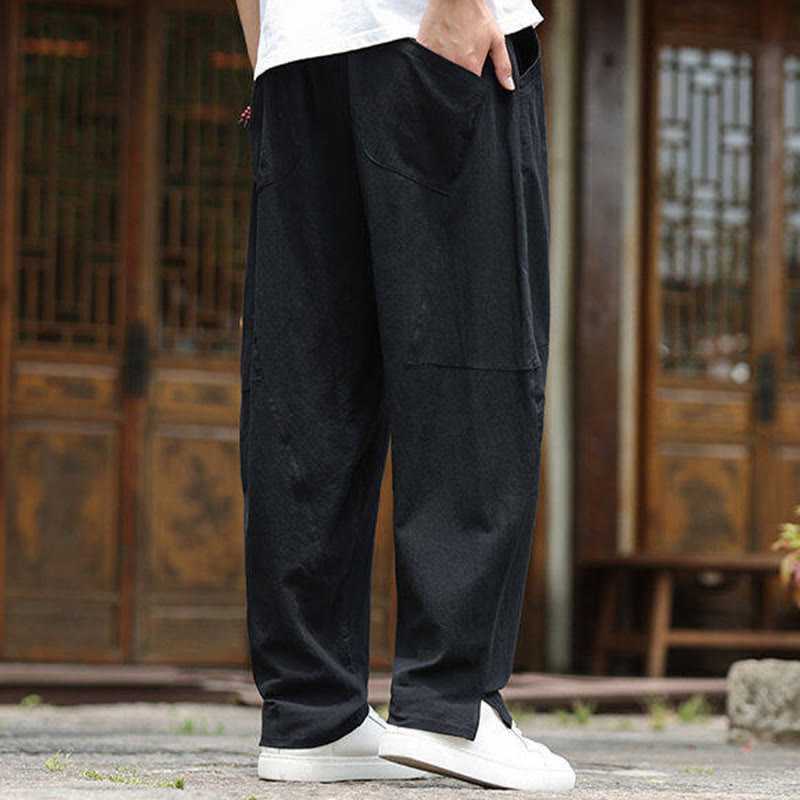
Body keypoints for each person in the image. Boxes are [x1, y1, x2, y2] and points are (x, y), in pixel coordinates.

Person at [234, 0, 575, 791]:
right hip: (425, 33)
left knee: (307, 376)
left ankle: (312, 713)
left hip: (295, 58)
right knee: (472, 356)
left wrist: (270, 53)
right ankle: (450, 704)